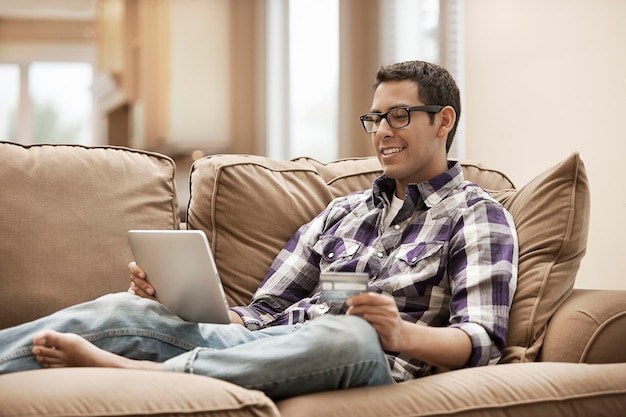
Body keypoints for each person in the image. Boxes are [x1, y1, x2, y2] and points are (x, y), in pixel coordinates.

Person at [0, 60, 518, 399]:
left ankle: (147, 375)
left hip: (366, 357)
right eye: (375, 118)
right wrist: (178, 299)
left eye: (399, 116)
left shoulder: (478, 215)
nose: (382, 132)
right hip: (270, 343)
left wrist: (400, 332)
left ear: (443, 120)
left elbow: (481, 339)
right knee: (127, 309)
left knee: (349, 336)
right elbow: (261, 315)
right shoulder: (343, 212)